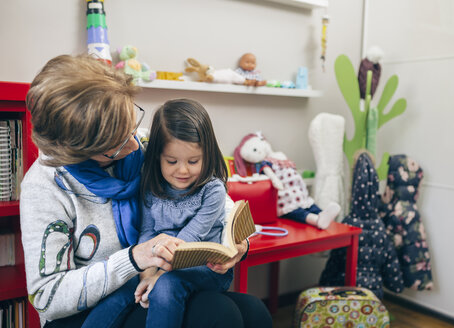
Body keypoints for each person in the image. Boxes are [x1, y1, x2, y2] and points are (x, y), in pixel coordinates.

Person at [20, 54, 272, 328]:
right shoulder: (44, 187)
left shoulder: (144, 142)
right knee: (218, 314)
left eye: (132, 124)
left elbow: (211, 197)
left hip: (155, 276)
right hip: (87, 307)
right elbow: (48, 297)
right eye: (116, 145)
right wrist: (134, 259)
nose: (134, 145)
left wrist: (235, 244)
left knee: (255, 313)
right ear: (80, 151)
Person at [132, 98, 232, 328]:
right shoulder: (151, 185)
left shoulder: (212, 189)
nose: (183, 170)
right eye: (172, 161)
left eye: (194, 161)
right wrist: (147, 274)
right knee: (122, 290)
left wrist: (158, 276)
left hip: (205, 266)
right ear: (158, 156)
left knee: (166, 286)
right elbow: (147, 231)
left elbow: (192, 238)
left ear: (207, 154)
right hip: (161, 263)